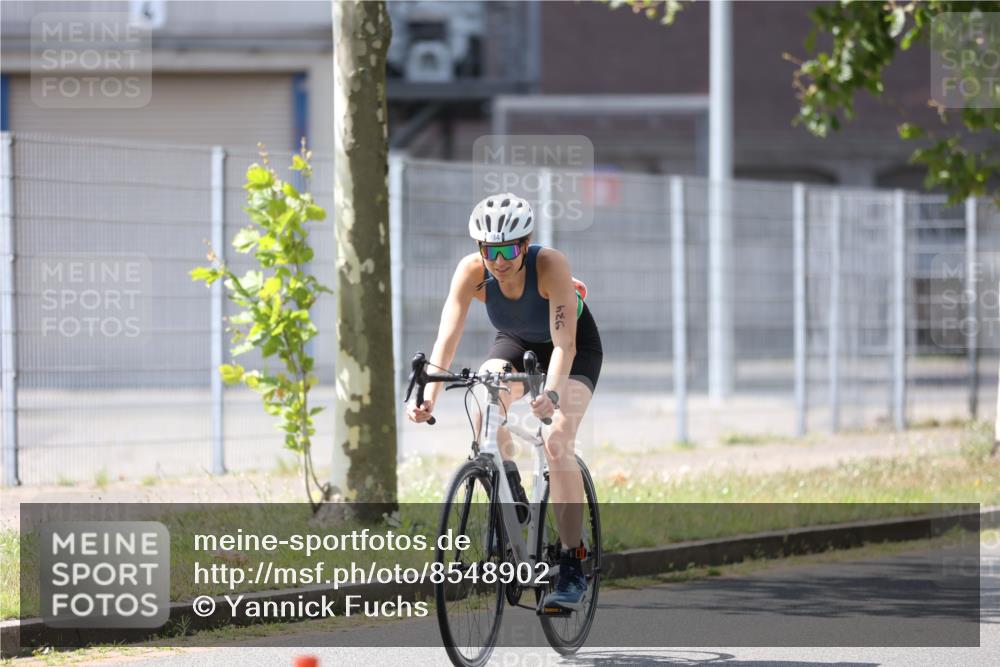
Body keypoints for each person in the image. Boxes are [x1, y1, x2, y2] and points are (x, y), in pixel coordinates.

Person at [406, 192, 603, 612]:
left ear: (526, 242)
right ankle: (508, 484)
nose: (499, 259)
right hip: (515, 342)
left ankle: (572, 560)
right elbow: (447, 338)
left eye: (509, 249)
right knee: (483, 399)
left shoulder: (550, 265)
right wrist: (428, 397)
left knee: (557, 441)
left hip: (571, 348)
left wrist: (549, 396)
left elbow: (564, 345)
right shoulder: (471, 272)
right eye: (490, 249)